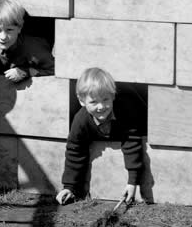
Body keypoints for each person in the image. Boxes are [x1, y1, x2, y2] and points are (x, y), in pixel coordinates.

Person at [55, 68, 145, 205]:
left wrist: (132, 182)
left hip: (139, 113)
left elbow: (131, 143)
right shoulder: (81, 120)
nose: (101, 106)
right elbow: (75, 151)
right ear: (81, 101)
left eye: (105, 99)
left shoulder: (125, 112)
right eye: (93, 102)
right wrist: (69, 187)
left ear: (113, 96)